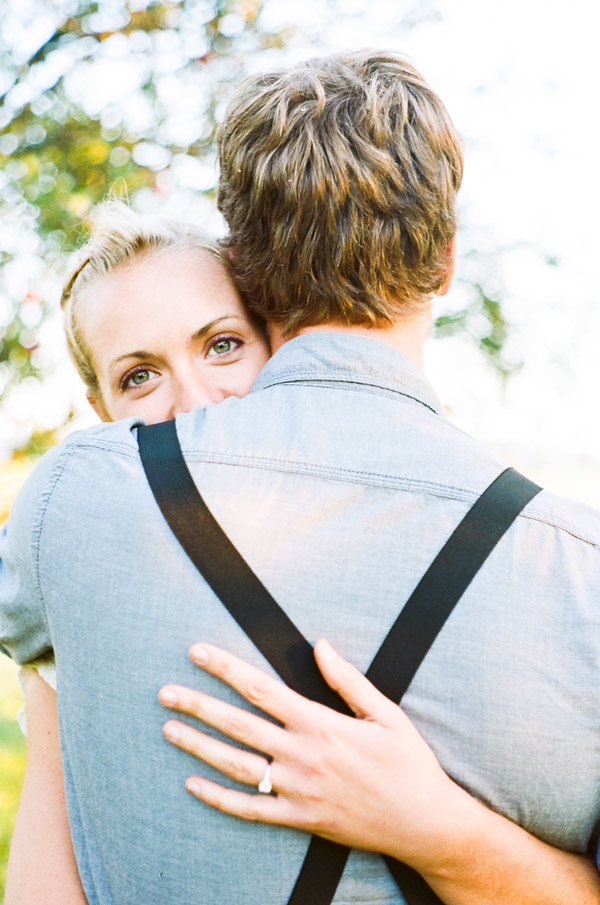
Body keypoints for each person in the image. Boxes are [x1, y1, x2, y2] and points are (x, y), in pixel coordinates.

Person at [1, 49, 600, 905]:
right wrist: (452, 837)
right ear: (447, 262)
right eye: (138, 374)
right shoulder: (582, 573)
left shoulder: (71, 505)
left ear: (245, 264)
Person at [4, 200, 270, 904]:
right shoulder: (87, 590)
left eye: (221, 344)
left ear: (274, 340)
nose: (193, 400)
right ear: (102, 414)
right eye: (140, 376)